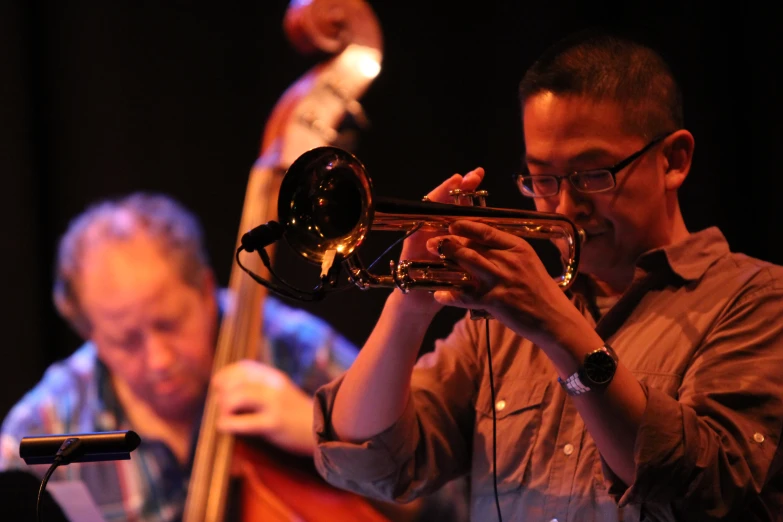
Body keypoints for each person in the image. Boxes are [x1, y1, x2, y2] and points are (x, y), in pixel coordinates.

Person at [310, 29, 783, 521]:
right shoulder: (495, 327)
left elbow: (712, 488)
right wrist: (409, 304)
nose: (565, 205)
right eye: (541, 178)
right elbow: (367, 460)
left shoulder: (758, 301)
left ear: (674, 160)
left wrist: (558, 329)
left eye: (593, 175)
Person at [0, 192, 469, 522]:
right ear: (90, 334)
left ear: (206, 290)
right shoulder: (50, 419)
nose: (159, 359)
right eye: (126, 342)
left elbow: (446, 498)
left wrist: (319, 431)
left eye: (169, 324)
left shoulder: (291, 348)